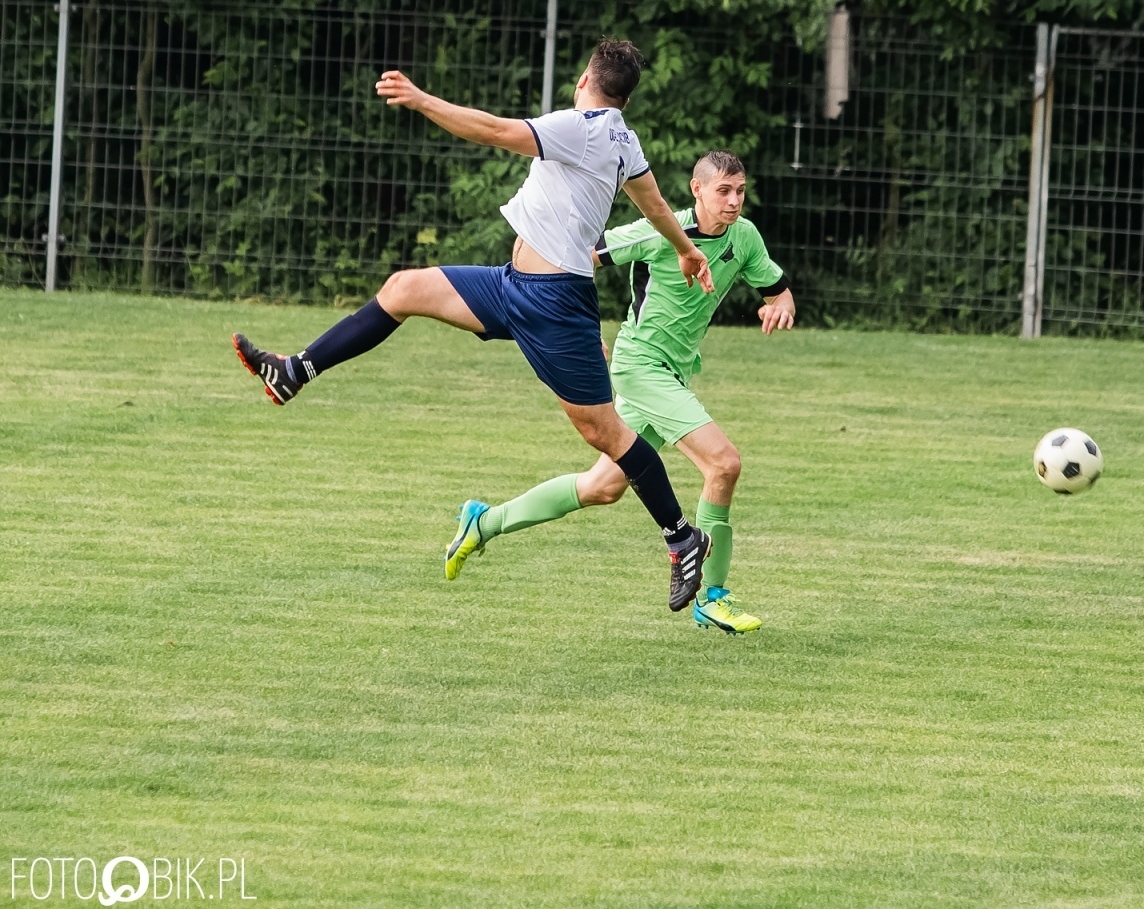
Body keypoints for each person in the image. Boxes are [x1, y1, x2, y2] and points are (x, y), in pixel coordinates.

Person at [231, 39, 718, 613]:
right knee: (403, 289)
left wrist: (419, 99)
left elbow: (491, 130)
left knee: (606, 435)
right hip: (513, 286)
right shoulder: (622, 138)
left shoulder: (580, 125)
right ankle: (295, 370)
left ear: (586, 78)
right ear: (627, 97)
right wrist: (686, 250)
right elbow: (656, 205)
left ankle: (682, 536)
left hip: (556, 304)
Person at [441, 150, 795, 635]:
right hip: (641, 368)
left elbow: (774, 286)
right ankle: (712, 596)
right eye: (723, 191)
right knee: (723, 463)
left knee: (602, 487)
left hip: (673, 373)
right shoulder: (658, 231)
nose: (733, 201)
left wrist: (782, 302)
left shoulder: (744, 237)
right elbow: (578, 257)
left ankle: (484, 522)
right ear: (697, 191)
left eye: (740, 191)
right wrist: (578, 325)